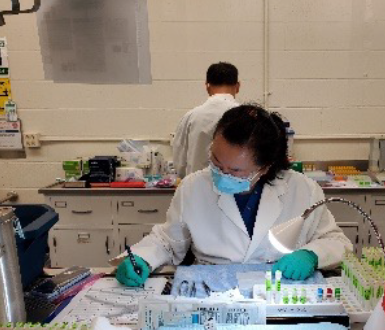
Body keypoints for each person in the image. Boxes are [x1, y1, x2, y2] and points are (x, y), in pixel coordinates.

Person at [116, 105, 352, 287]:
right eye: (217, 162)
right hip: (211, 292)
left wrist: (311, 255)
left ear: (265, 167)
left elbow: (338, 243)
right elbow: (167, 241)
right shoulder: (193, 187)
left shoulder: (303, 190)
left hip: (278, 292)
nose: (222, 174)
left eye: (236, 171)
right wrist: (141, 259)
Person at [172, 62, 241, 178]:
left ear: (207, 86)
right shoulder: (247, 117)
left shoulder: (191, 117)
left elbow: (180, 164)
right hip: (235, 192)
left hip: (197, 190)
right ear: (238, 86)